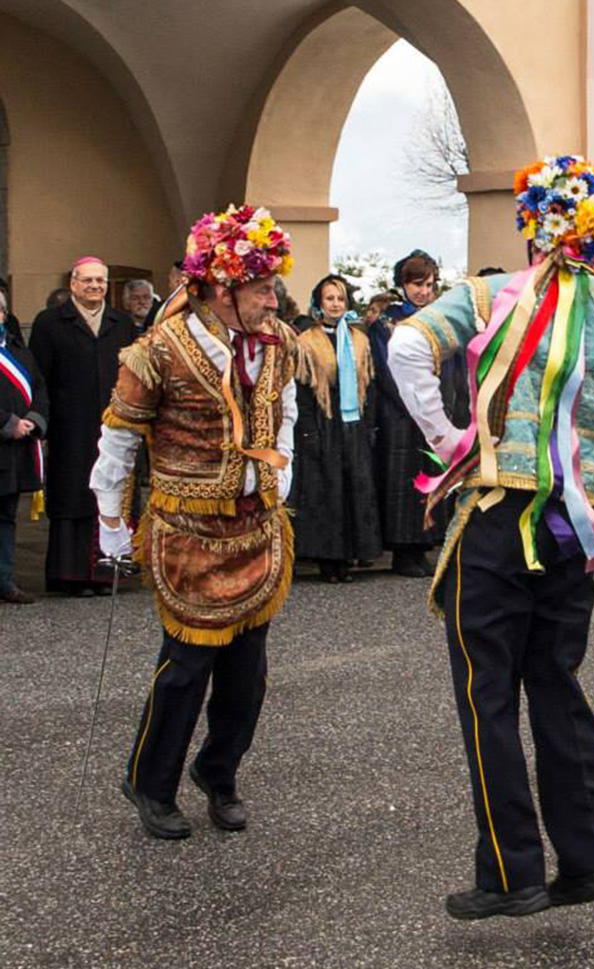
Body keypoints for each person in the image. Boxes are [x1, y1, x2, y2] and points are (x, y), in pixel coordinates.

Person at [388, 153, 594, 920]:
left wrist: (453, 437)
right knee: (558, 685)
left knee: (487, 692)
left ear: (534, 228)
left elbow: (403, 346)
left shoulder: (493, 293)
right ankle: (590, 860)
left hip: (496, 519)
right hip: (575, 526)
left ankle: (510, 872)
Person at [89, 204, 298, 839]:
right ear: (221, 287)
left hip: (256, 526)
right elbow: (120, 439)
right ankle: (150, 783)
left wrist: (281, 478)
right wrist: (110, 519)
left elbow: (286, 415)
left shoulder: (279, 342)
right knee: (185, 670)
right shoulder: (156, 351)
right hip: (187, 528)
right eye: (261, 287)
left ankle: (219, 771)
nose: (272, 298)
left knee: (247, 673)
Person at [29, 257, 138, 596]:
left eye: (100, 281)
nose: (94, 287)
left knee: (111, 496)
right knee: (73, 499)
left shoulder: (122, 323)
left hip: (114, 426)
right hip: (69, 427)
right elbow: (38, 377)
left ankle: (107, 574)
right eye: (87, 281)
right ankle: (71, 576)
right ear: (73, 284)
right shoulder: (50, 323)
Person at [291, 274, 381, 582]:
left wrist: (369, 426)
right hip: (322, 423)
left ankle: (351, 556)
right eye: (329, 298)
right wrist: (307, 431)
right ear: (319, 303)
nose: (335, 304)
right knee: (326, 492)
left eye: (340, 298)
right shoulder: (306, 341)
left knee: (352, 490)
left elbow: (369, 385)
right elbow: (302, 390)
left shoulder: (360, 340)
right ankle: (328, 561)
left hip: (352, 425)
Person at [370, 251, 446, 576]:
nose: (423, 291)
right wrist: (410, 401)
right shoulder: (386, 322)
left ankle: (424, 544)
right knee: (402, 476)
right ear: (402, 284)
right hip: (399, 411)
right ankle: (403, 549)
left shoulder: (440, 318)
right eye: (416, 284)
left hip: (433, 407)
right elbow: (384, 368)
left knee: (431, 473)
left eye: (428, 284)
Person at [0, 288, 48, 604]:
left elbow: (41, 389)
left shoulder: (19, 350)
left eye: (0, 310)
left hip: (14, 453)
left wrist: (33, 419)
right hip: (4, 438)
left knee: (6, 518)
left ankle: (4, 579)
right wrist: (7, 423)